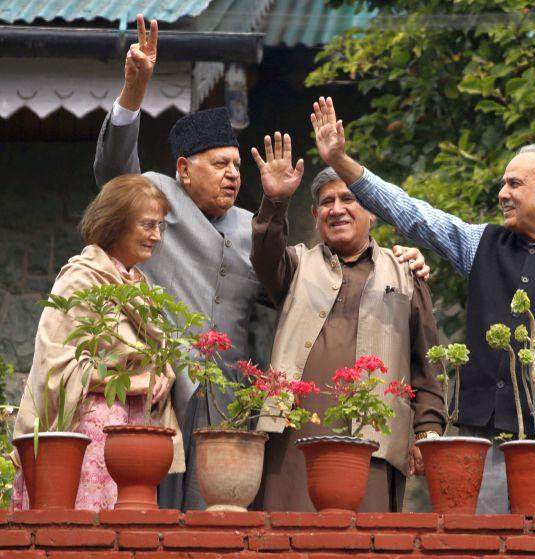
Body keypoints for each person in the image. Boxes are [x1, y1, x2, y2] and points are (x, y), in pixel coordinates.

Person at [92, 15, 430, 510]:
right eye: (219, 165)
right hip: (159, 389)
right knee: (152, 511)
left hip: (228, 402)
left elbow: (295, 286)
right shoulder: (155, 199)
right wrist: (133, 93)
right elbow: (112, 172)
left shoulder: (253, 227)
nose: (233, 175)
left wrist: (403, 259)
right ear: (184, 170)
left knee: (215, 520)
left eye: (237, 165)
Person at [310, 96, 535, 515]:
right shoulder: (483, 243)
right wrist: (342, 162)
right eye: (503, 183)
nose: (502, 193)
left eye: (514, 184)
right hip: (480, 447)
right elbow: (412, 214)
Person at [249, 133, 446, 511]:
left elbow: (429, 365)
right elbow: (264, 253)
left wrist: (429, 429)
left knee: (363, 543)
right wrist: (275, 201)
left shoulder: (405, 273)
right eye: (326, 202)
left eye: (348, 198)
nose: (336, 208)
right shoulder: (293, 265)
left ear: (373, 210)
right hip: (292, 441)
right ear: (315, 216)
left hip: (373, 443)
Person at [12, 174, 184, 511]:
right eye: (148, 225)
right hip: (91, 437)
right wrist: (129, 383)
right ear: (116, 225)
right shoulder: (81, 278)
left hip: (134, 437)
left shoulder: (139, 285)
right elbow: (55, 364)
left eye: (160, 226)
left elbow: (153, 357)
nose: (157, 236)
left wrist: (159, 375)